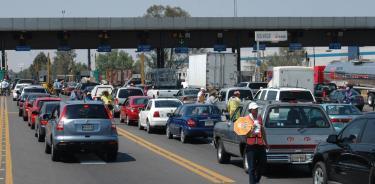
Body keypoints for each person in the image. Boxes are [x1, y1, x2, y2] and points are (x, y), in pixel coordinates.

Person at [246, 102, 268, 184]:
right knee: (251, 167)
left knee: (263, 164)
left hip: (260, 145)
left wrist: (266, 142)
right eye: (255, 109)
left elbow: (262, 130)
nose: (256, 110)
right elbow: (245, 134)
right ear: (251, 110)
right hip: (251, 146)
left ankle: (257, 180)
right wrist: (252, 129)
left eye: (257, 108)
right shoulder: (247, 119)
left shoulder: (259, 118)